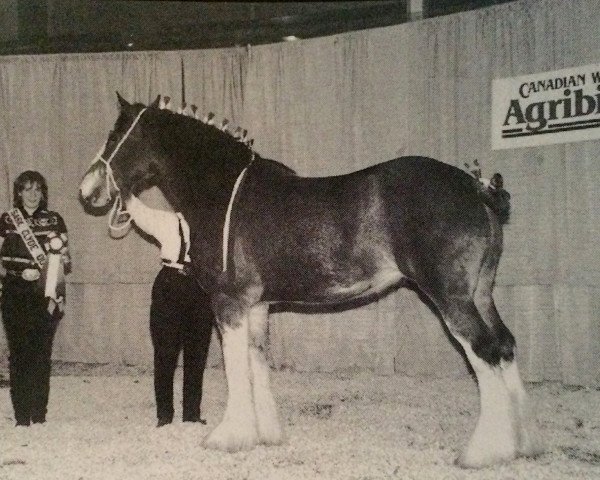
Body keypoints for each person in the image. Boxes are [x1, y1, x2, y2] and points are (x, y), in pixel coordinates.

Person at [124, 195, 214, 427]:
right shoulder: (164, 220)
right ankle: (164, 416)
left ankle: (192, 414)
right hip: (170, 284)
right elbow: (138, 210)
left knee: (197, 354)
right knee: (165, 353)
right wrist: (122, 187)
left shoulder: (212, 223)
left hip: (201, 286)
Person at [0, 171, 71, 426]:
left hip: (46, 293)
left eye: (37, 190)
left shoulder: (55, 220)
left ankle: (39, 414)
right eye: (27, 189)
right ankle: (21, 417)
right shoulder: (7, 220)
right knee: (19, 353)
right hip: (15, 293)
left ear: (43, 193)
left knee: (42, 352)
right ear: (18, 192)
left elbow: (65, 260)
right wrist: (16, 272)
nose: (32, 195)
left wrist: (47, 269)